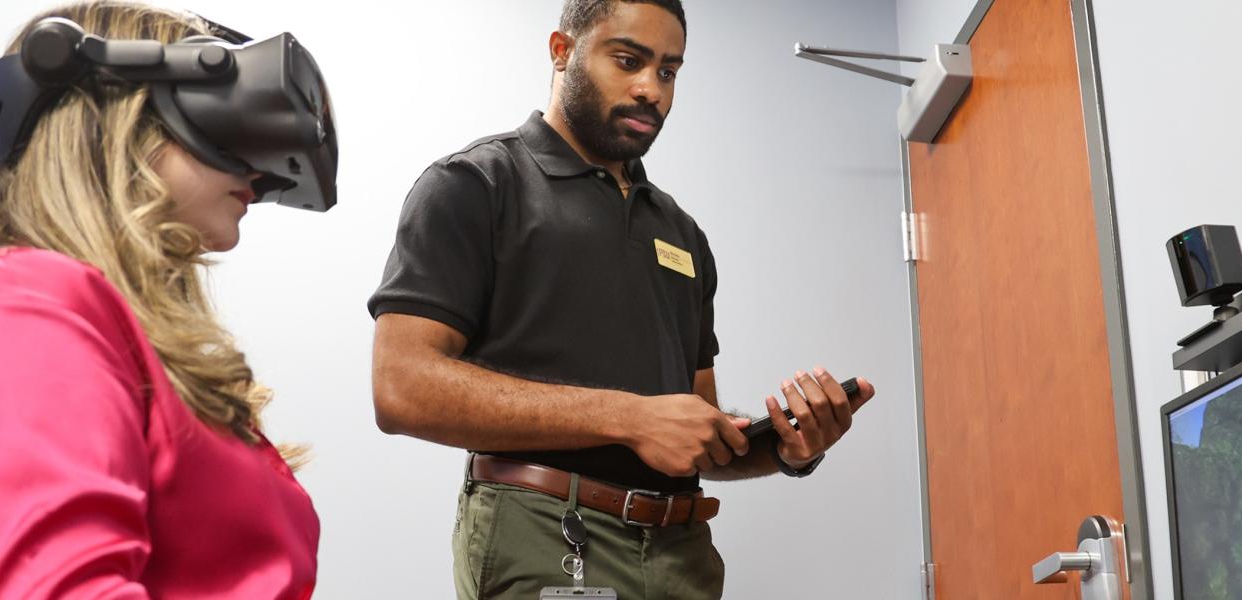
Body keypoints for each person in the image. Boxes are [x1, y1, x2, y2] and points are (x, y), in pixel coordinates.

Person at [368, 1, 876, 598]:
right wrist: (630, 417)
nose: (651, 90)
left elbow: (693, 436)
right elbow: (400, 387)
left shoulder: (683, 234)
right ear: (562, 51)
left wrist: (786, 449)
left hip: (682, 555)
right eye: (628, 60)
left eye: (668, 71)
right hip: (549, 539)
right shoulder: (474, 184)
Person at [0, 2, 335, 597]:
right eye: (227, 119)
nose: (261, 173)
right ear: (119, 116)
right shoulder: (22, 316)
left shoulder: (108, 337)